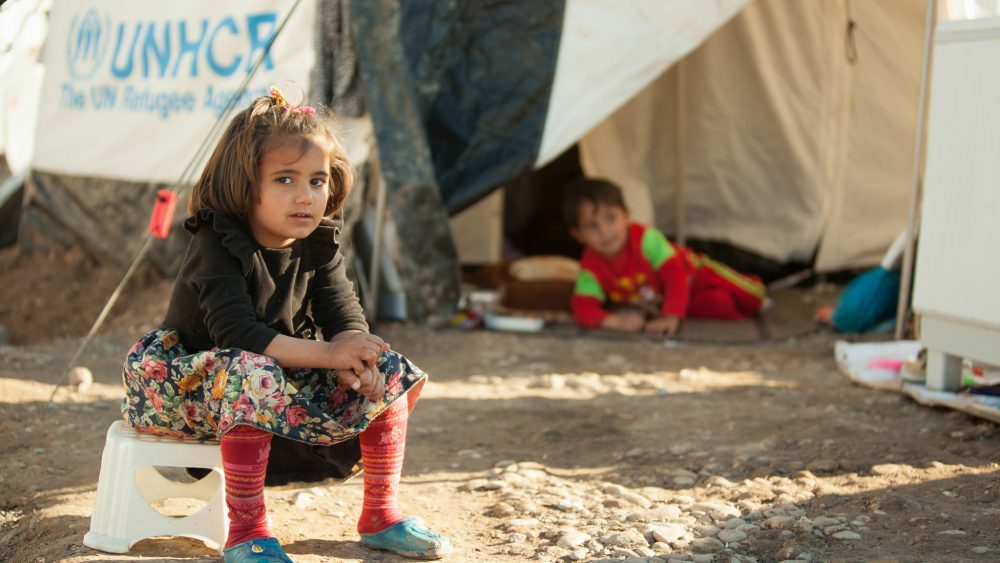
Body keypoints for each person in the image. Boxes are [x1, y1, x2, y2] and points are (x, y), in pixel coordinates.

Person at [120, 87, 451, 562]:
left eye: (317, 180)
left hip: (269, 379)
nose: (306, 196)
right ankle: (248, 530)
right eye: (284, 179)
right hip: (187, 388)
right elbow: (237, 335)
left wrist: (356, 357)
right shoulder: (218, 239)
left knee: (392, 366)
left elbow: (342, 313)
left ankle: (381, 513)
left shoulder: (317, 240)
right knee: (250, 369)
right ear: (244, 184)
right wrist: (329, 355)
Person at [565, 178, 766, 337]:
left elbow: (675, 275)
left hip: (696, 273)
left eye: (610, 218)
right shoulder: (591, 266)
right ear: (578, 235)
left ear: (627, 216)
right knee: (719, 305)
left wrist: (671, 317)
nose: (605, 231)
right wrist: (616, 323)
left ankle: (759, 295)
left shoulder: (645, 239)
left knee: (752, 297)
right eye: (592, 225)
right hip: (672, 297)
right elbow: (582, 307)